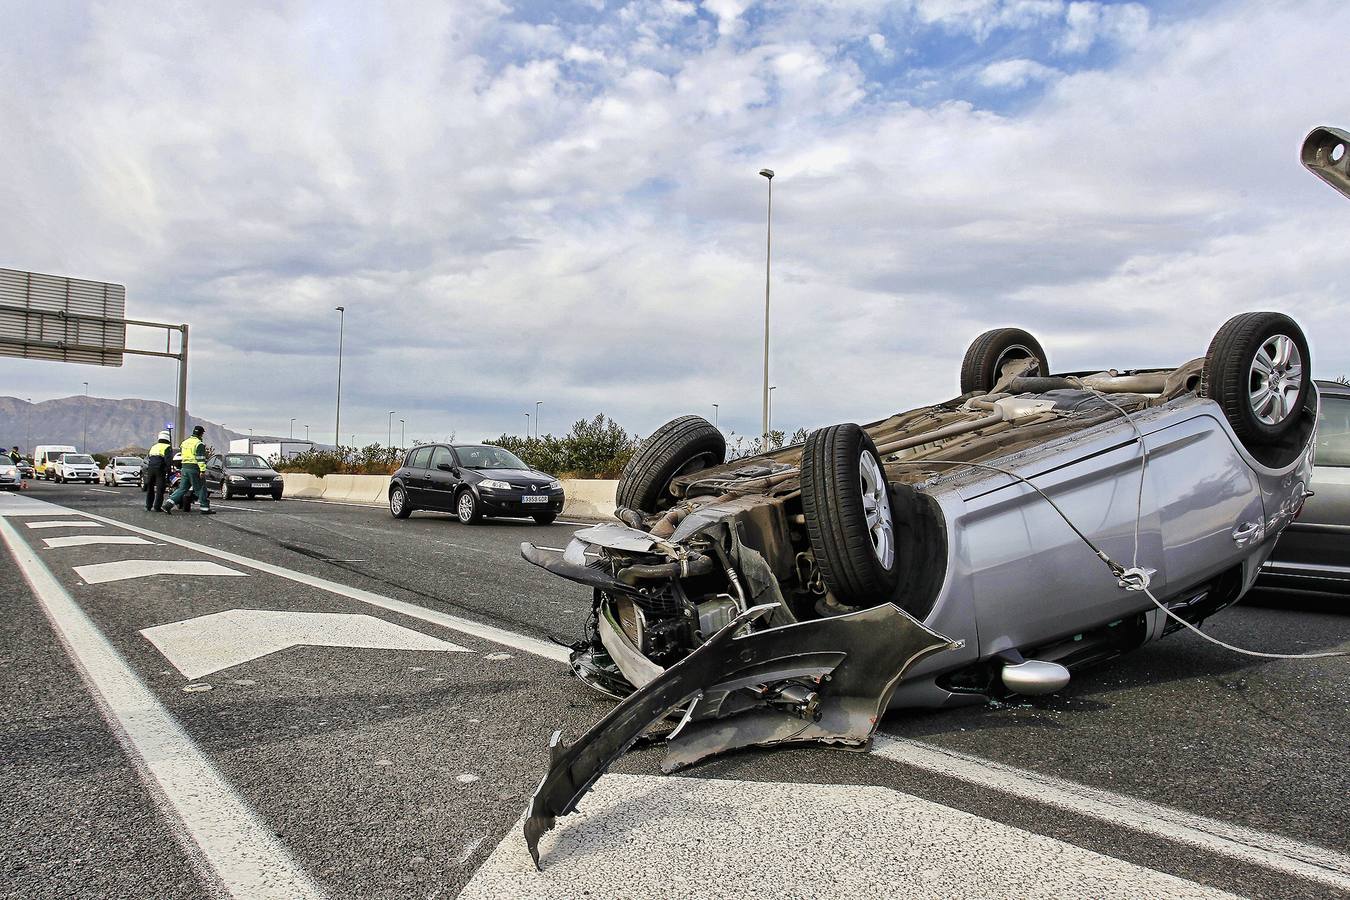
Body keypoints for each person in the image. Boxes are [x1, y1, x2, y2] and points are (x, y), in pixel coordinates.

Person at [163, 425, 213, 515]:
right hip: (194, 468)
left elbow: (182, 454)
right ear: (201, 434)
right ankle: (205, 508)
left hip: (184, 468)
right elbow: (200, 458)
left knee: (182, 488)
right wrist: (202, 471)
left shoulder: (184, 442)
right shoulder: (199, 444)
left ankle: (168, 504)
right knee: (201, 488)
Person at [144, 431, 171, 512]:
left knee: (150, 488)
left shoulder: (154, 446)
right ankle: (157, 507)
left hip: (151, 469)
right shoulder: (167, 447)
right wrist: (168, 472)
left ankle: (148, 506)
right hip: (160, 469)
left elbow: (149, 458)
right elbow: (168, 461)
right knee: (160, 489)